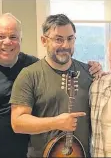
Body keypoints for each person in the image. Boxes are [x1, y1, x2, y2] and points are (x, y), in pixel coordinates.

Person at [0, 13, 102, 158]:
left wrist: (95, 69)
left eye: (13, 37)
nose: (7, 42)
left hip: (28, 150)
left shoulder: (32, 64)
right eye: (1, 36)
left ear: (20, 39)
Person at [10, 14, 95, 157]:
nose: (66, 45)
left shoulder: (89, 72)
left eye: (70, 39)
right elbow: (17, 123)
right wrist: (56, 122)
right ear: (44, 41)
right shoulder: (29, 75)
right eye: (58, 39)